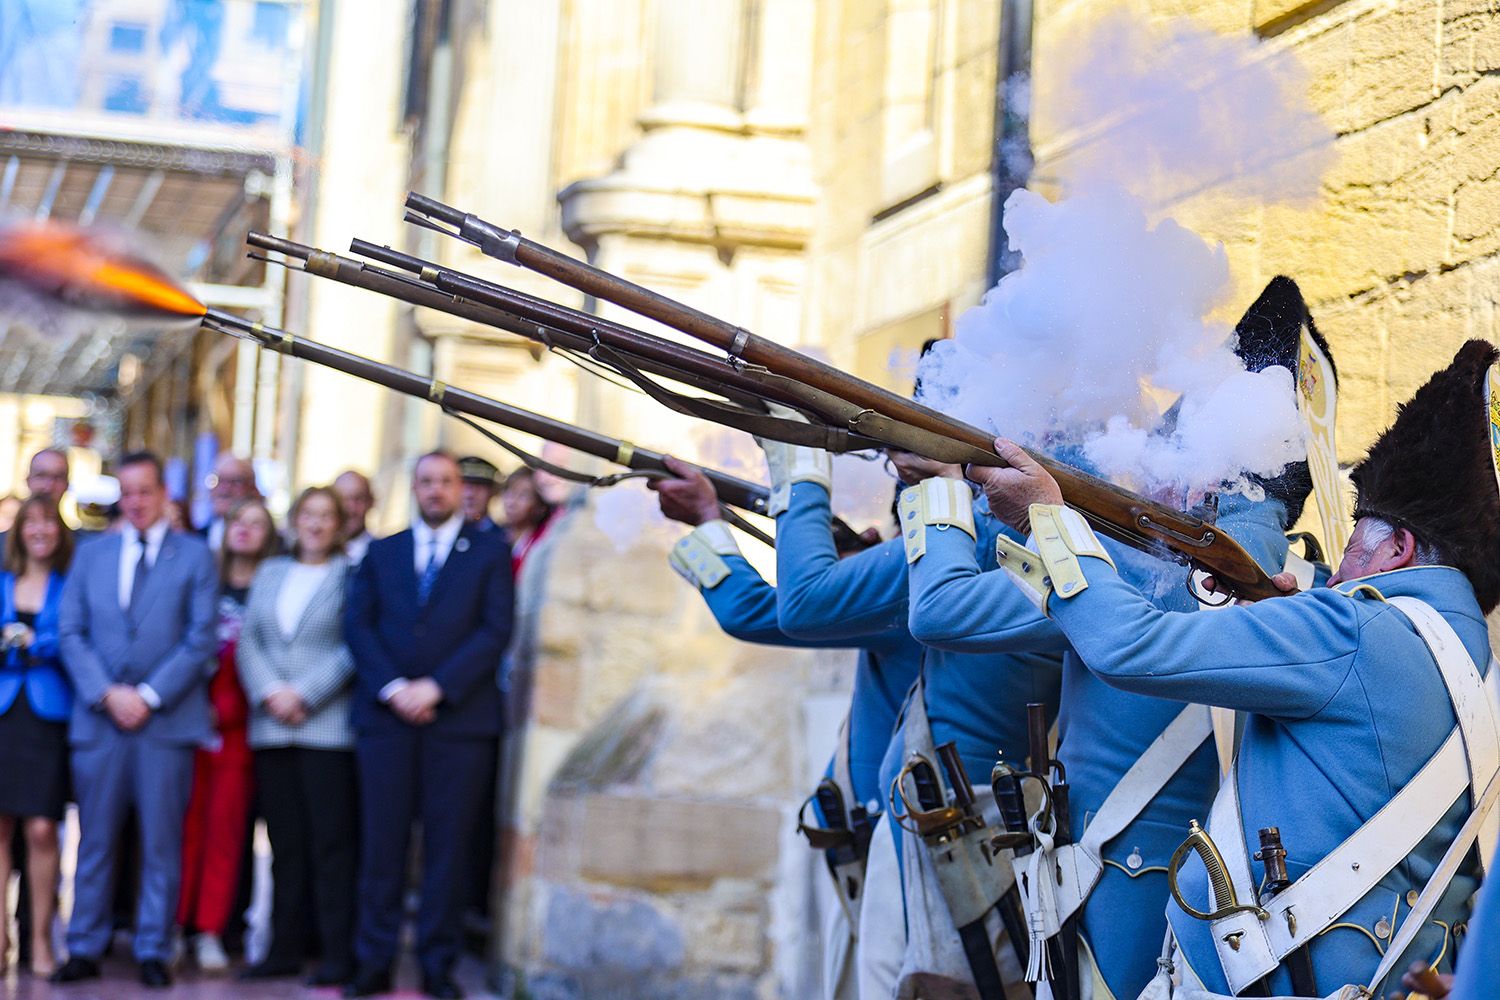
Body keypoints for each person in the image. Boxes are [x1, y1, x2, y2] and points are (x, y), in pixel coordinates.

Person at [970, 339, 1500, 996]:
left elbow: (1127, 647)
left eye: (1358, 540)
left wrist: (1048, 520)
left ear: (1399, 545)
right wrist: (1276, 616)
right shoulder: (1476, 661)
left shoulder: (1353, 631)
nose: (1338, 568)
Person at [901, 277, 1321, 999]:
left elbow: (938, 609)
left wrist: (938, 486)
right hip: (1222, 925)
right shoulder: (1316, 591)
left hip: (1105, 908)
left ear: (1205, 475)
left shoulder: (1131, 571)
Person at [650, 455, 921, 1000]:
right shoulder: (936, 567)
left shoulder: (917, 572)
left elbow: (752, 611)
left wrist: (708, 519)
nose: (876, 537)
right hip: (879, 836)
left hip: (887, 843)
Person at [344, 451, 514, 999]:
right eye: (426, 482)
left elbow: (495, 630)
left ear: (460, 488)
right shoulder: (382, 551)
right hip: (386, 722)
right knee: (381, 846)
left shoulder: (490, 552)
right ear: (414, 488)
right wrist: (395, 689)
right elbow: (358, 626)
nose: (436, 491)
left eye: (445, 482)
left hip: (458, 722)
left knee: (447, 849)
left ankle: (437, 964)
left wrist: (437, 687)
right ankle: (374, 960)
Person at [52, 451, 217, 990]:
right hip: (99, 722)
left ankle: (153, 946)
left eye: (147, 491)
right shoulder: (91, 553)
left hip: (164, 724)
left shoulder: (195, 556)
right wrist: (106, 693)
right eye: (129, 492)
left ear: (164, 493)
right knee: (94, 841)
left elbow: (200, 639)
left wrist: (146, 695)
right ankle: (84, 945)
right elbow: (70, 630)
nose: (138, 502)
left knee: (161, 843)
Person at [237, 486, 359, 987]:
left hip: (324, 728)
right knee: (284, 844)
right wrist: (270, 692)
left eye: (325, 516)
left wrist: (303, 694)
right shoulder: (270, 573)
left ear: (339, 524)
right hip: (271, 728)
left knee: (331, 845)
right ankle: (282, 949)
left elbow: (354, 645)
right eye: (307, 514)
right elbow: (249, 640)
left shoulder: (350, 576)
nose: (315, 524)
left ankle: (335, 953)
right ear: (294, 520)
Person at [175, 497, 277, 973]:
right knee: (181, 830)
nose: (245, 531)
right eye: (239, 521)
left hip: (243, 728)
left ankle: (212, 930)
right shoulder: (203, 581)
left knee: (226, 831)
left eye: (257, 524)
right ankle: (174, 925)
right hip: (189, 722)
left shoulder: (274, 586)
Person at [0, 497, 74, 976]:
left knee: (42, 828)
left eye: (49, 522)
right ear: (18, 532)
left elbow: (77, 635)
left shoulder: (71, 585)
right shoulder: (1, 580)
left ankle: (42, 937)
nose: (40, 531)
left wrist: (38, 643)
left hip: (48, 716)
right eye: (31, 523)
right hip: (3, 710)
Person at [500, 467, 557, 577]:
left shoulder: (543, 544)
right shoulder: (494, 535)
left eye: (523, 496)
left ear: (541, 507)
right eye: (509, 492)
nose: (512, 502)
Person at [201, 453, 259, 552]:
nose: (225, 489)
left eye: (236, 481)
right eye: (218, 480)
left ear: (253, 490)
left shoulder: (270, 546)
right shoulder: (196, 537)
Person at [334, 470, 376, 566]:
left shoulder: (385, 554)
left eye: (358, 499)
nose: (350, 508)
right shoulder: (316, 553)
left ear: (371, 502)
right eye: (342, 499)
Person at [458, 457, 502, 533]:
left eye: (479, 488)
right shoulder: (441, 534)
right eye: (465, 487)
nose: (470, 495)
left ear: (492, 492)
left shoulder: (505, 539)